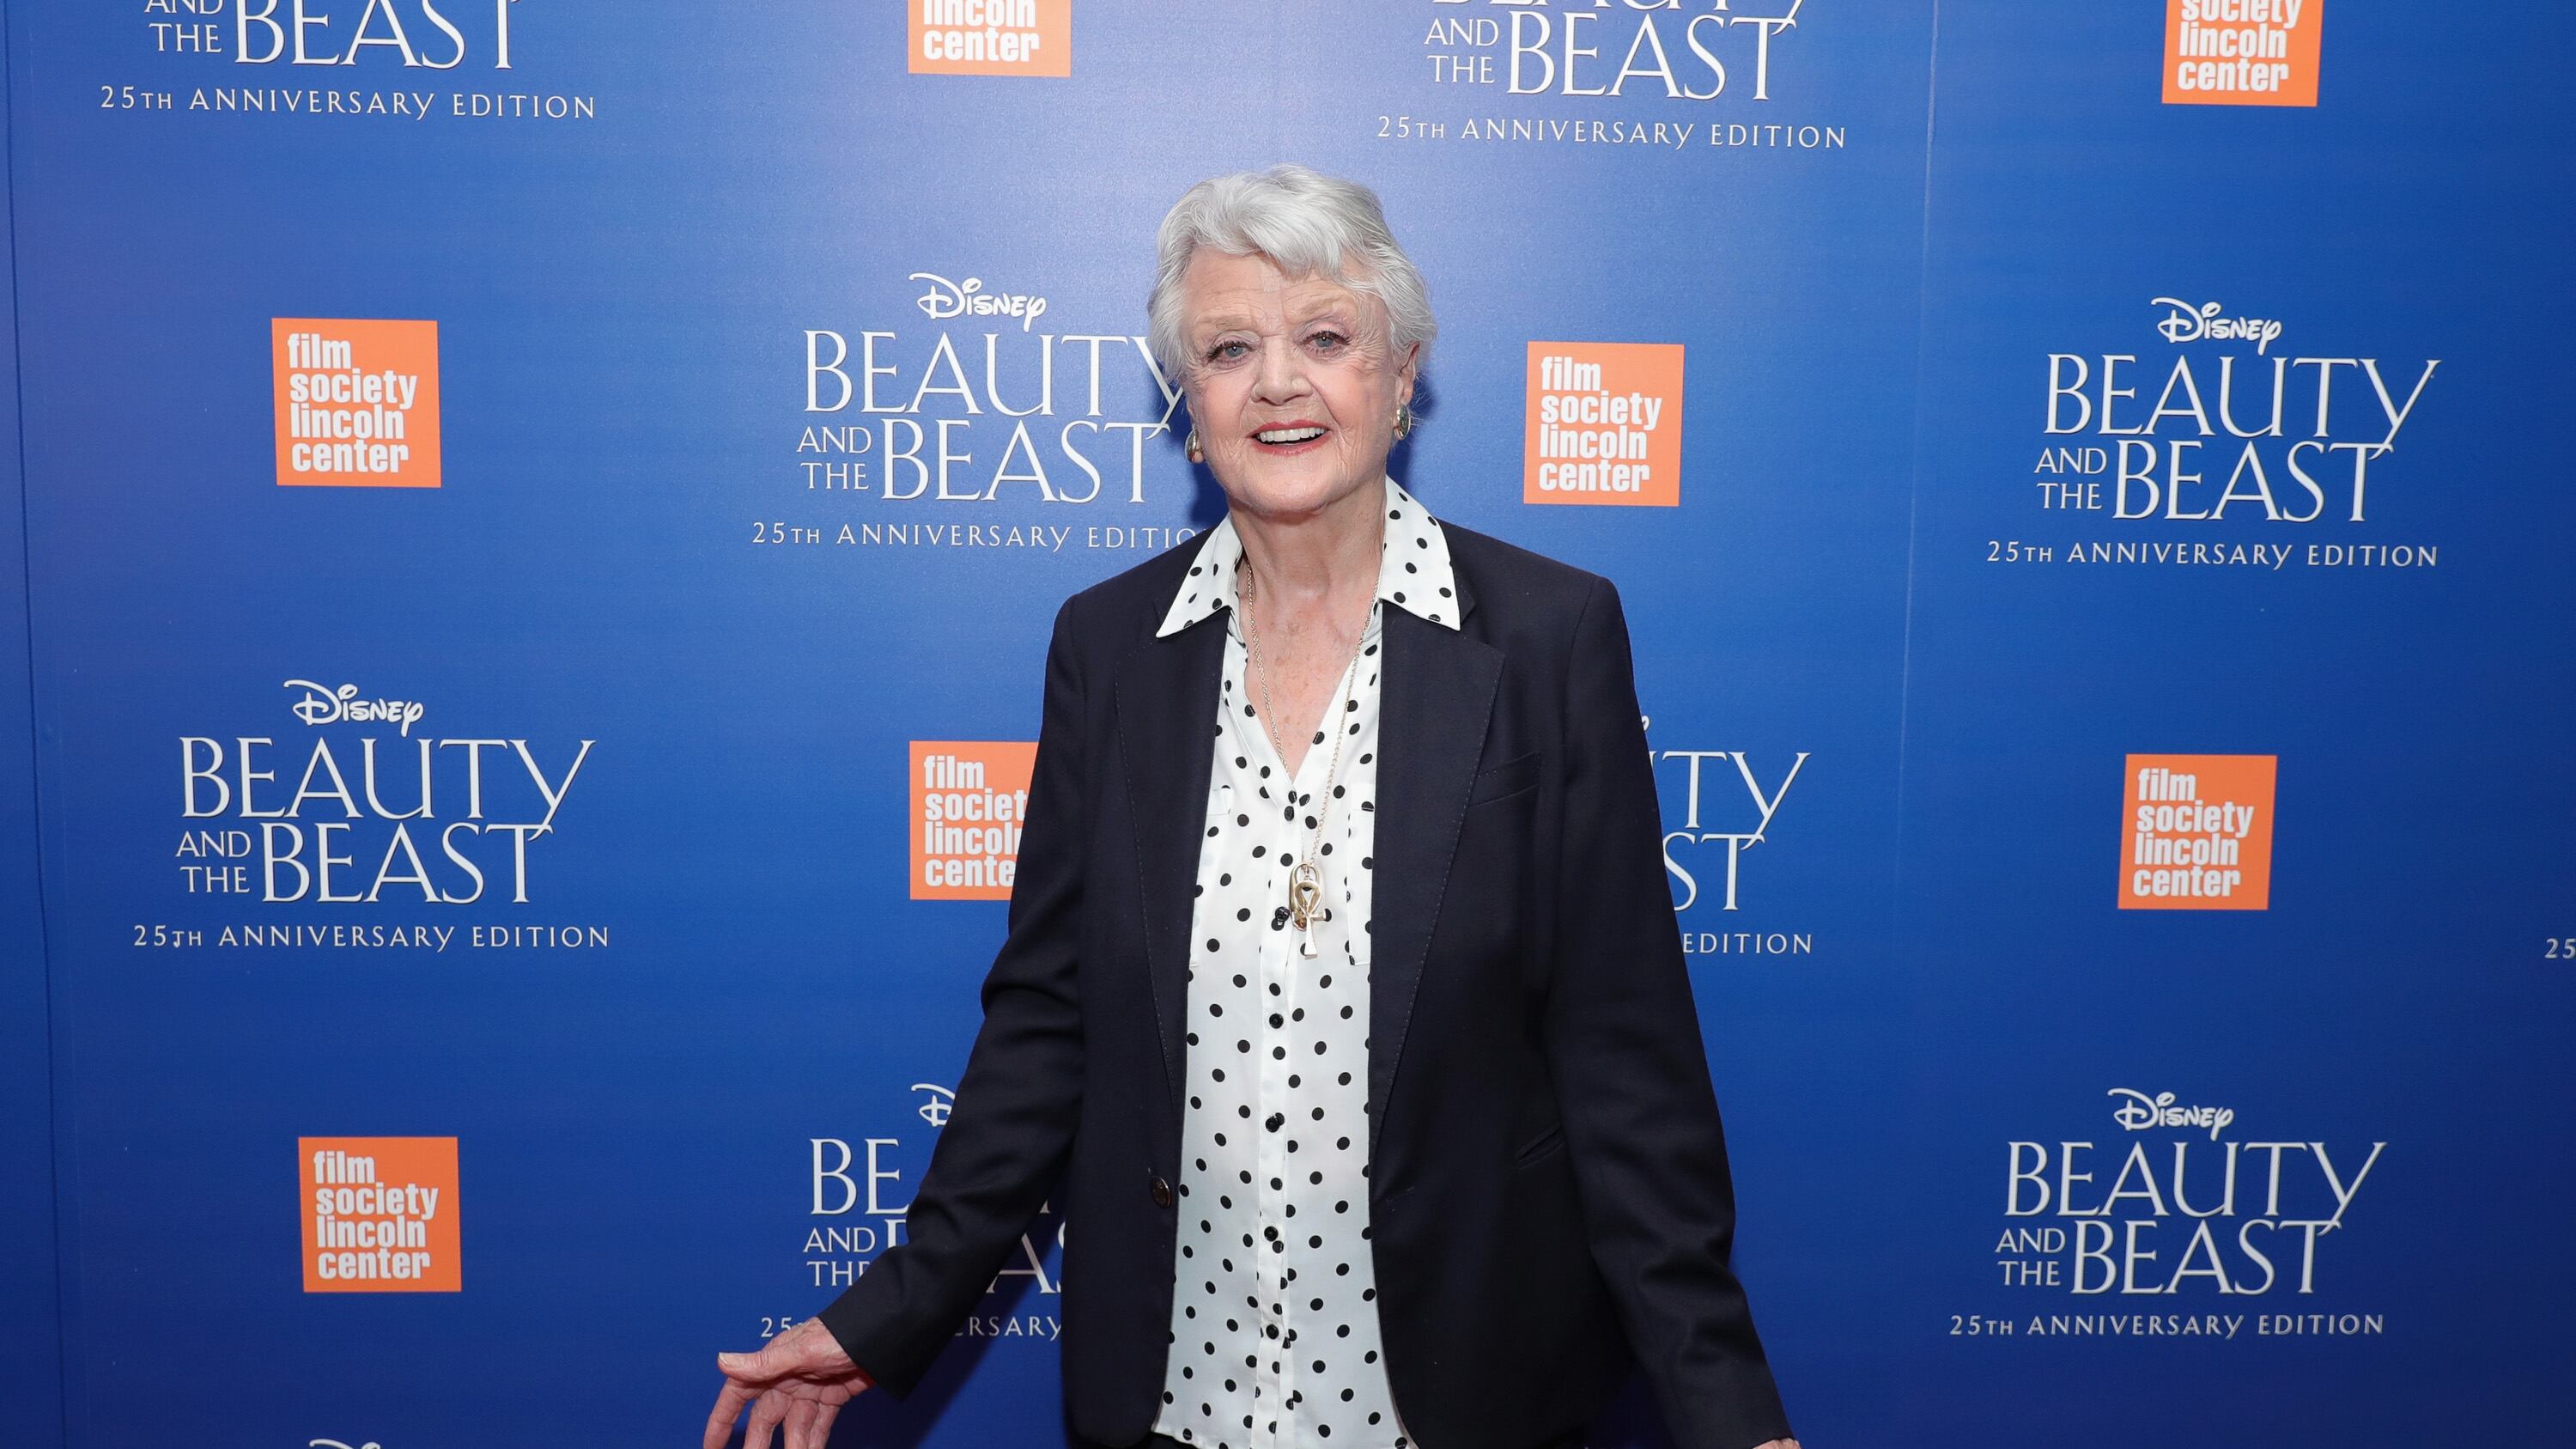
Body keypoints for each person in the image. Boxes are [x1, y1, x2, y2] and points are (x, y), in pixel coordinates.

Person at [704, 165, 1799, 1449]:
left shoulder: (1549, 638)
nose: (1279, 383)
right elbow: (1049, 1024)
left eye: (1326, 339)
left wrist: (1732, 1416)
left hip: (1470, 1400)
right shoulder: (1109, 648)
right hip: (1176, 1406)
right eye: (1231, 350)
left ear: (1401, 375)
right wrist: (886, 1318)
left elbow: (1625, 1059)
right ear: (1189, 399)